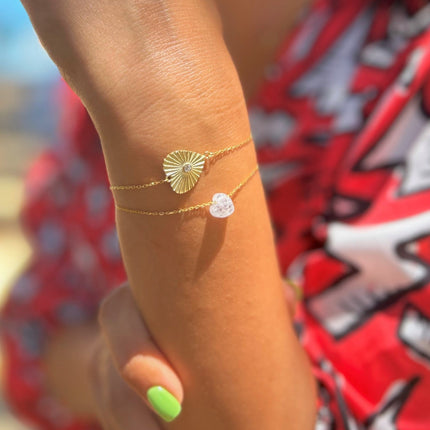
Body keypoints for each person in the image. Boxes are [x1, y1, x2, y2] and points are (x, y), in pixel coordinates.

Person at [2, 0, 430, 429]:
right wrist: (105, 365)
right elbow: (27, 338)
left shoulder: (412, 67)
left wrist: (160, 95)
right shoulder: (94, 89)